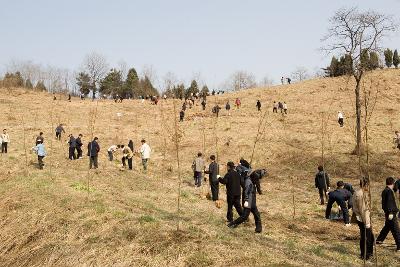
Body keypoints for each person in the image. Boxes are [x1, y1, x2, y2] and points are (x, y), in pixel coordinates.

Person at [351, 177, 374, 261]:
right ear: (366, 184)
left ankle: (367, 253)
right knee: (366, 237)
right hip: (363, 218)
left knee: (367, 236)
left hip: (360, 217)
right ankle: (365, 255)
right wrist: (367, 222)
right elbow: (362, 209)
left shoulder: (357, 192)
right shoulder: (361, 194)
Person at [376, 177, 400, 251]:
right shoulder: (389, 191)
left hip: (388, 213)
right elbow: (389, 202)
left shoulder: (385, 190)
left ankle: (379, 240)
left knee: (387, 227)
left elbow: (384, 203)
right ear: (392, 183)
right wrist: (390, 212)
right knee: (396, 230)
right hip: (391, 213)